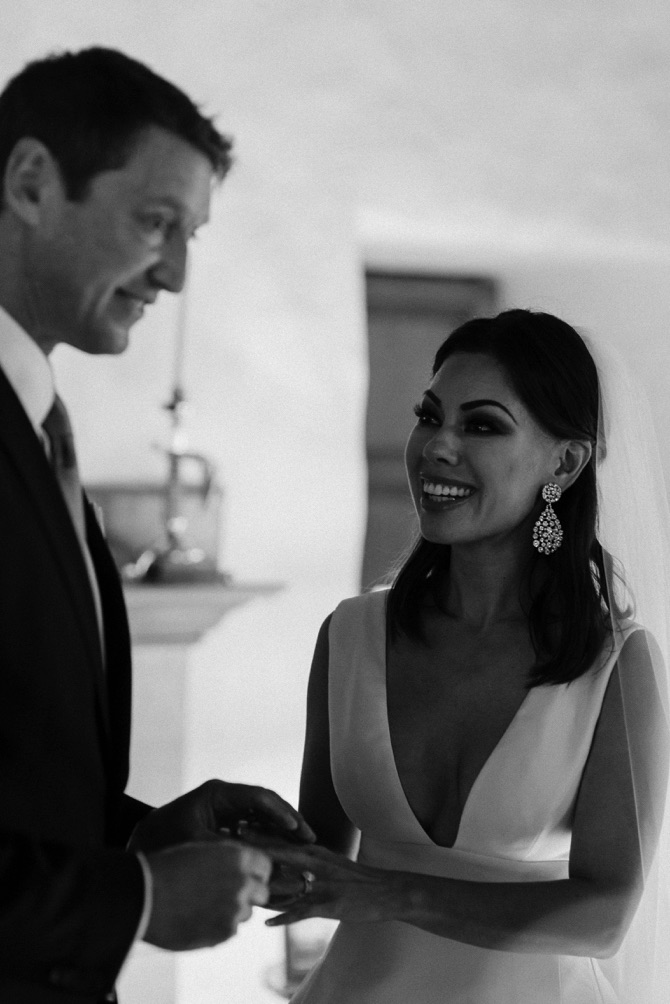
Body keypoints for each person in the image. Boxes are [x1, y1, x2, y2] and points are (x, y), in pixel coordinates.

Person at [0, 47, 313, 1004]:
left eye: (190, 236)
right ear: (31, 183)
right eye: (156, 222)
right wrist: (136, 899)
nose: (173, 274)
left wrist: (145, 834)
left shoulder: (37, 429)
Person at [260, 309, 670, 1003]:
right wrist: (233, 845)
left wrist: (393, 893)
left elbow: (604, 916)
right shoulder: (350, 637)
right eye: (429, 416)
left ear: (565, 463)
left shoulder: (614, 667)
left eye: (481, 425)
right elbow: (317, 869)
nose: (437, 446)